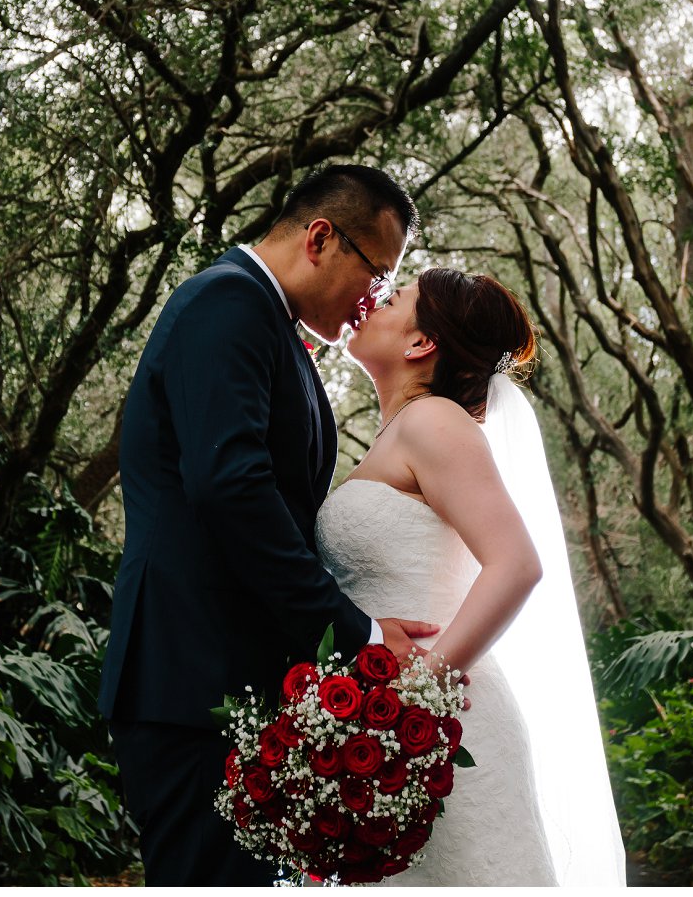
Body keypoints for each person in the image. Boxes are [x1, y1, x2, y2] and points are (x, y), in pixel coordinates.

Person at [99, 164, 440, 886]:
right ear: (321, 237)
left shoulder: (269, 325)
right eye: (376, 273)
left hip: (230, 680)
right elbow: (231, 489)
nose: (373, 299)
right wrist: (360, 635)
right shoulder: (226, 304)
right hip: (192, 678)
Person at [328, 267, 628, 886]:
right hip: (389, 722)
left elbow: (517, 564)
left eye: (392, 299)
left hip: (442, 724)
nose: (370, 304)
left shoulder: (433, 422)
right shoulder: (401, 433)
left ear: (420, 344)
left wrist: (418, 687)